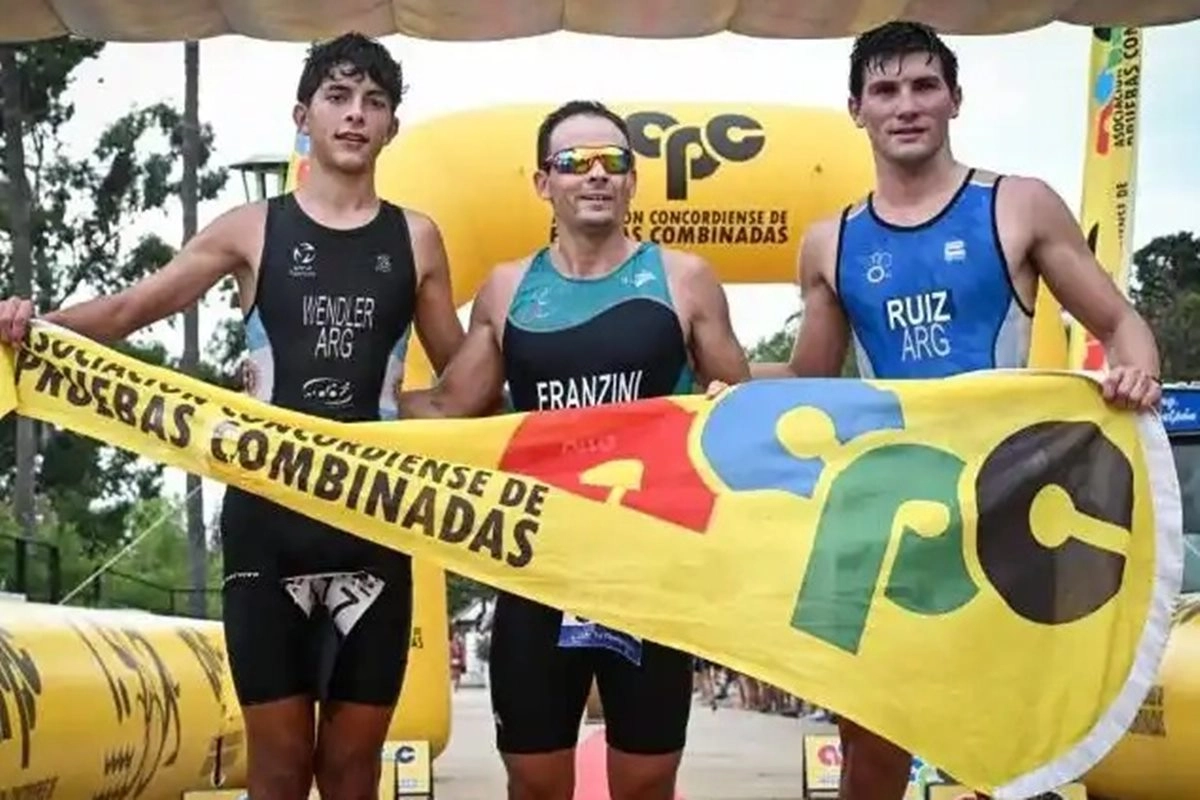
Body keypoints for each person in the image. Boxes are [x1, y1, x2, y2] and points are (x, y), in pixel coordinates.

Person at [0, 32, 466, 800]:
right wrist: (32, 323)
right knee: (277, 770)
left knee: (352, 773)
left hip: (373, 524)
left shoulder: (416, 238)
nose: (356, 114)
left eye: (374, 102)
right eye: (338, 97)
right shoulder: (252, 228)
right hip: (268, 525)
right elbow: (128, 310)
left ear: (392, 126)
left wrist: (495, 359)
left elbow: (460, 386)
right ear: (303, 117)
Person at [750, 20, 1162, 800]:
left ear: (955, 99)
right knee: (871, 748)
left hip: (1006, 509)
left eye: (923, 86)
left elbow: (1122, 324)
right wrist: (723, 384)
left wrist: (1136, 374)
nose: (906, 105)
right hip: (884, 514)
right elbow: (809, 378)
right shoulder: (830, 241)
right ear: (857, 109)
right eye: (885, 90)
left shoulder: (1019, 205)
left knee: (1003, 750)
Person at [396, 100, 751, 800]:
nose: (595, 175)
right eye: (573, 163)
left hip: (649, 568)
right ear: (542, 183)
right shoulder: (507, 288)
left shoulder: (684, 279)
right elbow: (447, 405)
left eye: (612, 162)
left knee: (646, 784)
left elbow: (740, 408)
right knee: (533, 781)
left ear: (632, 181)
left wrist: (727, 406)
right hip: (539, 566)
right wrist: (317, 408)